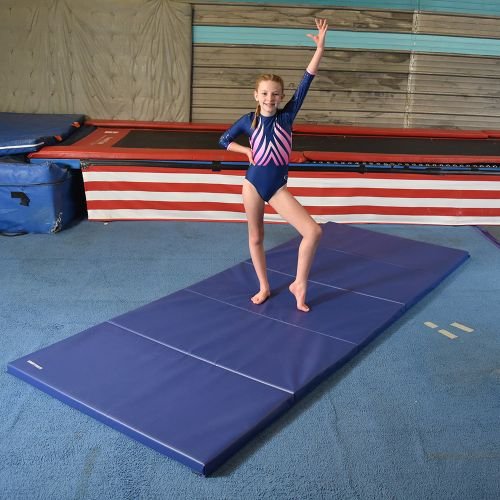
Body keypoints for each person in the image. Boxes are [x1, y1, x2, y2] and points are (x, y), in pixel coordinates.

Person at [219, 18, 328, 312]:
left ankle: (299, 283)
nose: (270, 98)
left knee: (313, 231)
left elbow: (307, 79)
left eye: (275, 94)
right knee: (256, 237)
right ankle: (264, 286)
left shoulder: (286, 117)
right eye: (265, 93)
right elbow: (223, 140)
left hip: (277, 187)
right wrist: (245, 151)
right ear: (257, 96)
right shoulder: (248, 120)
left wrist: (319, 48)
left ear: (281, 97)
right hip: (253, 184)